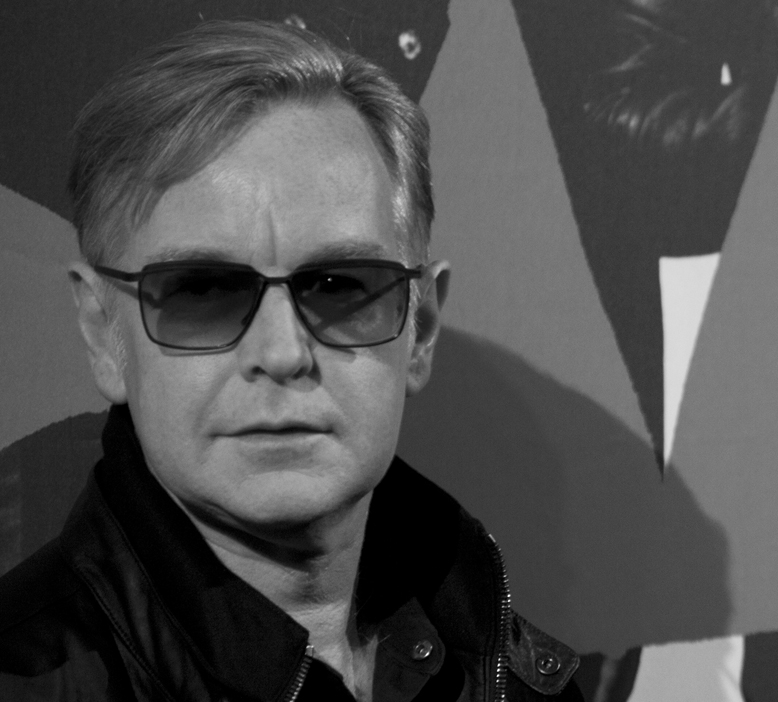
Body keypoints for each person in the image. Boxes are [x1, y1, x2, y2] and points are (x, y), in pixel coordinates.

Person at [0, 20, 582, 701]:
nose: (282, 354)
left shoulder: (516, 678)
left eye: (337, 286)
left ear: (420, 328)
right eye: (203, 291)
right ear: (104, 334)